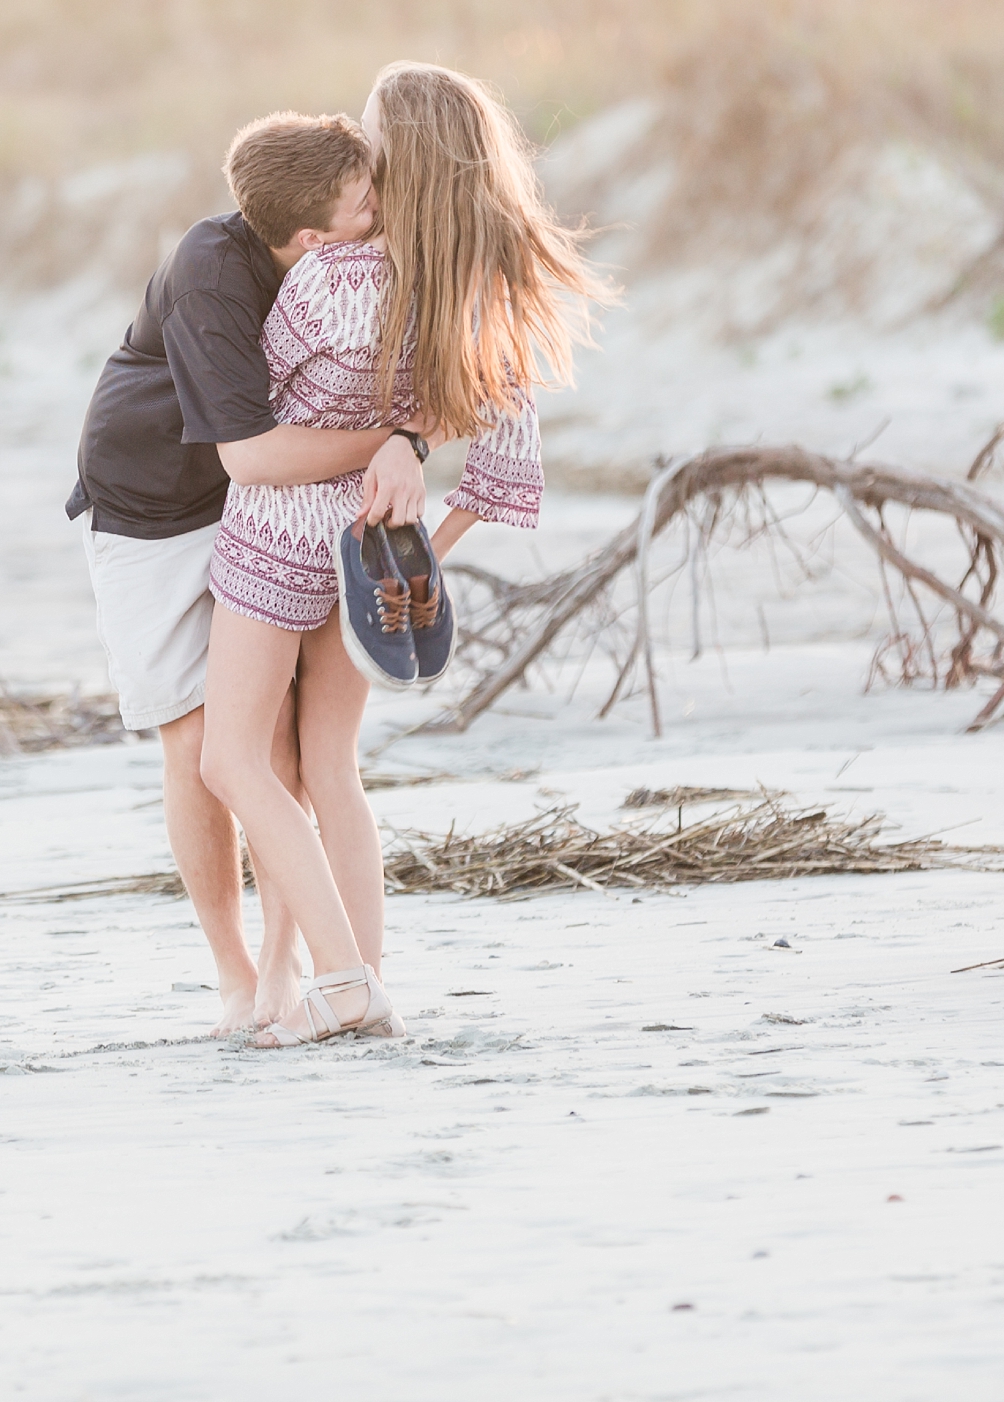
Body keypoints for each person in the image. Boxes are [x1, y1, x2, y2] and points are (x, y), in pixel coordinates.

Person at [200, 62, 605, 1046]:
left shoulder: (331, 276)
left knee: (235, 760)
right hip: (371, 554)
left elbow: (270, 394)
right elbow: (502, 472)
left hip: (278, 530)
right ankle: (351, 977)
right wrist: (412, 545)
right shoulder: (478, 294)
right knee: (328, 765)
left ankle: (336, 980)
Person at [68, 113, 426, 1034]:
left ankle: (286, 976)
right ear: (311, 236)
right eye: (366, 202)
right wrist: (388, 441)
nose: (381, 211)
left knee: (273, 750)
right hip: (150, 504)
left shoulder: (345, 252)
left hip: (273, 507)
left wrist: (409, 436)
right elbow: (253, 455)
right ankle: (234, 978)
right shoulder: (211, 275)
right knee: (195, 747)